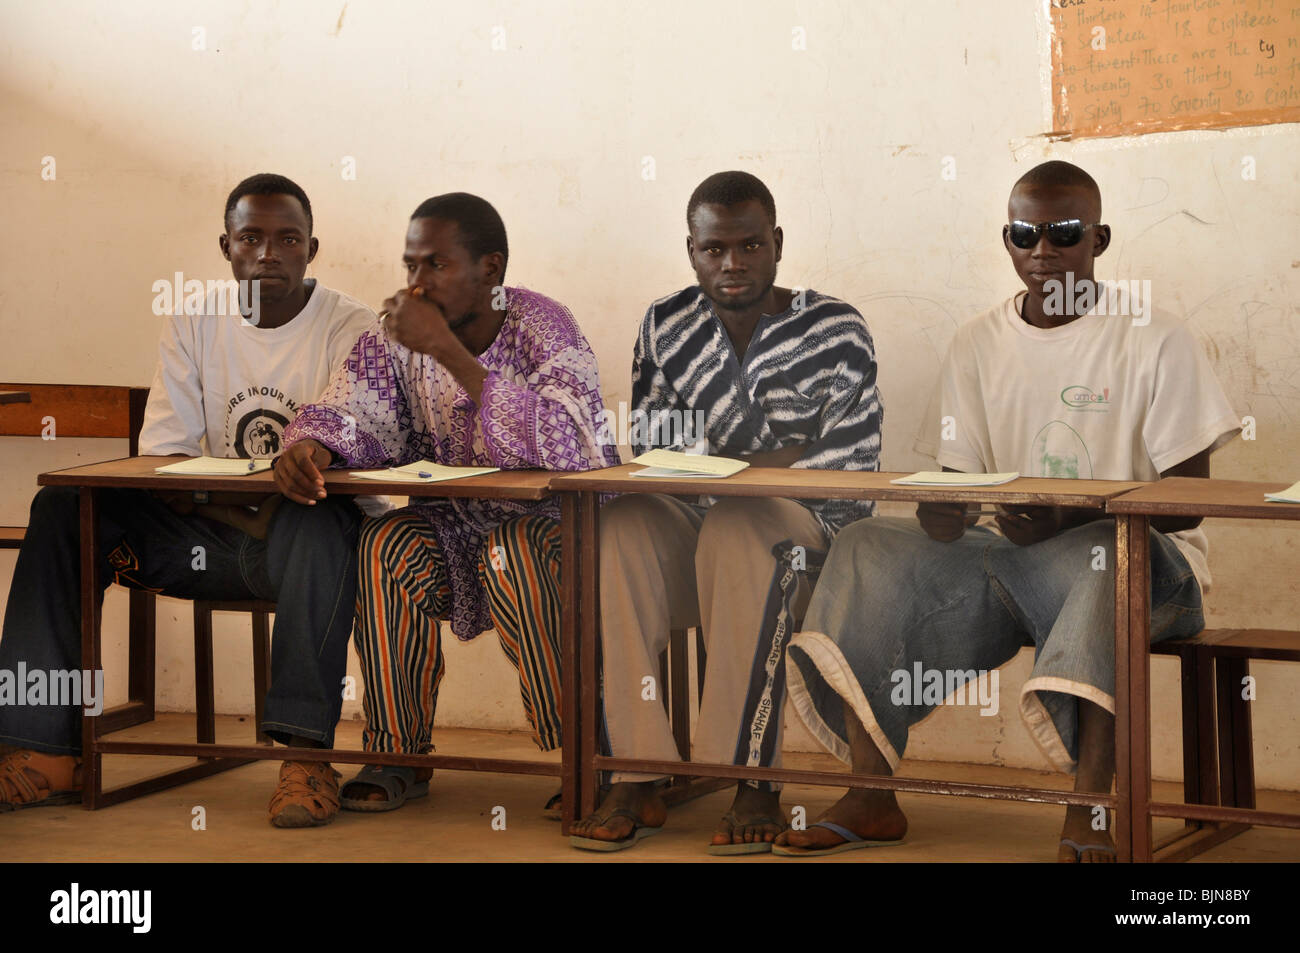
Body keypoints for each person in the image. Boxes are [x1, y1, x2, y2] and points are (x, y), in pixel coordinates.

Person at [777, 160, 1240, 861]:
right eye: (1025, 234)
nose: (1043, 250)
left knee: (1101, 553)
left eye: (1063, 233)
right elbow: (957, 481)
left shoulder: (1155, 336)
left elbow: (1189, 498)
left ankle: (1090, 807)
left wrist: (1071, 515)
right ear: (1008, 239)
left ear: (1100, 239)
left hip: (1139, 565)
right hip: (1008, 556)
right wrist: (946, 511)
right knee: (868, 543)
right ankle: (871, 793)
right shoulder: (976, 343)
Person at [0, 173, 380, 828]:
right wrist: (242, 495)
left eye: (287, 239)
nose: (268, 254)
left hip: (296, 545)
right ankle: (47, 750)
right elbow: (165, 461)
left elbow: (344, 434)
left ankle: (306, 758)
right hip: (207, 533)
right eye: (251, 238)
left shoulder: (351, 326)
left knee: (321, 518)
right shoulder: (195, 318)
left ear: (311, 250)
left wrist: (273, 479)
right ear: (226, 246)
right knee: (64, 510)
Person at [276, 192, 619, 816]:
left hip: (558, 532)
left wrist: (449, 354)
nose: (416, 283)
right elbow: (353, 409)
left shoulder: (546, 326)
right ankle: (396, 754)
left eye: (436, 265)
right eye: (410, 265)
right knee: (385, 543)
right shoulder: (398, 337)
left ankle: (585, 756)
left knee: (513, 551)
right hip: (457, 529)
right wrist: (314, 447)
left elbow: (571, 441)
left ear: (490, 270)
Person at [569, 171, 883, 853]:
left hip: (811, 543)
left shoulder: (834, 327)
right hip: (697, 525)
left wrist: (736, 469)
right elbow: (656, 451)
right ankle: (636, 767)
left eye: (749, 246)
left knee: (743, 526)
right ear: (691, 249)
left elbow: (849, 467)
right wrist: (776, 456)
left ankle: (748, 775)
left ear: (777, 242)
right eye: (714, 249)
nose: (732, 264)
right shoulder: (665, 324)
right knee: (619, 525)